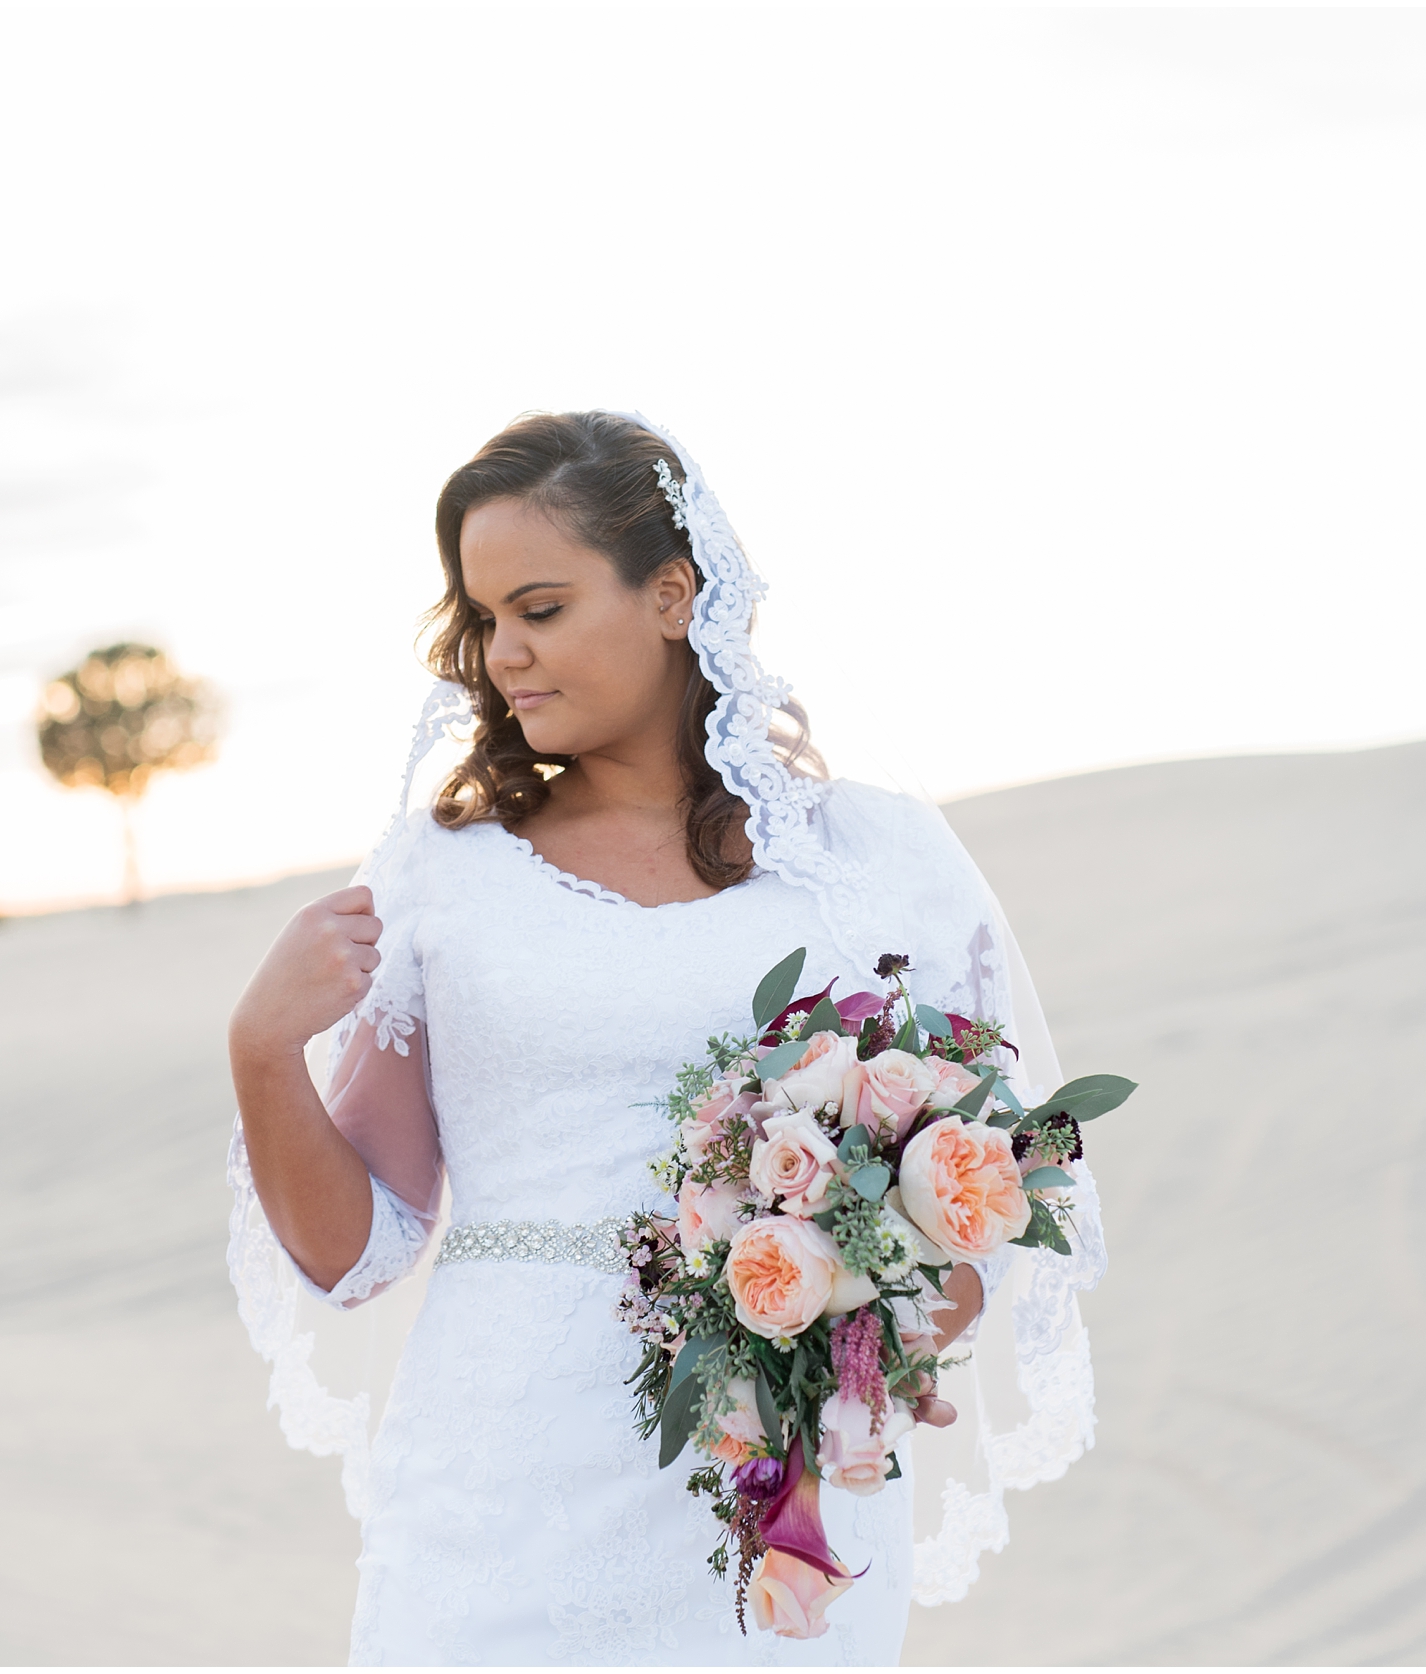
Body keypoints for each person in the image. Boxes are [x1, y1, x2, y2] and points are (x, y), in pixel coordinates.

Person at [226, 411, 1106, 1665]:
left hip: (777, 1490)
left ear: (671, 594)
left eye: (539, 607)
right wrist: (262, 1050)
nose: (503, 654)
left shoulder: (875, 859)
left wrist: (851, 1338)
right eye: (482, 620)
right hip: (500, 1481)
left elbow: (1008, 1176)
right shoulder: (446, 876)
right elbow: (362, 1252)